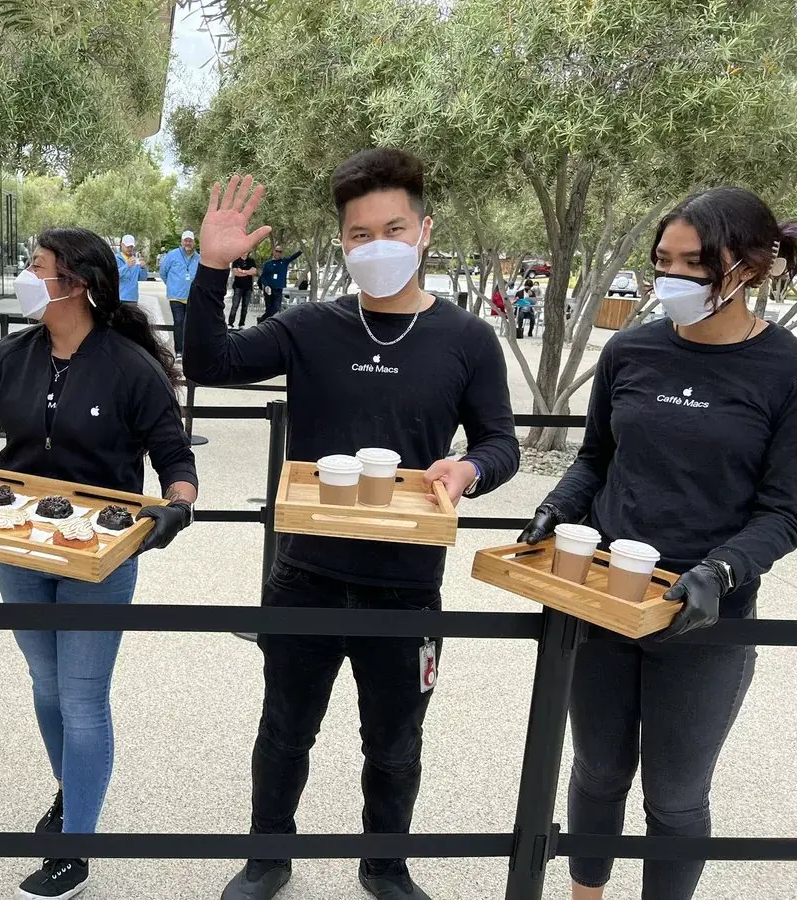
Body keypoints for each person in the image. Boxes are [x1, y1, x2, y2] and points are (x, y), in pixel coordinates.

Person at [184, 150, 520, 900]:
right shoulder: (312, 326)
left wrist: (469, 470)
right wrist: (213, 271)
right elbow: (210, 360)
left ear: (425, 230)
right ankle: (268, 856)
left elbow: (502, 442)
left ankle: (385, 864)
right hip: (305, 572)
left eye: (393, 228)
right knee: (283, 731)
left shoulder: (467, 339)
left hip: (406, 586)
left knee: (396, 745)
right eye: (361, 235)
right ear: (343, 243)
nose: (378, 246)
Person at [0, 227, 198, 900]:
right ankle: (72, 794)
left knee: (83, 700)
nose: (26, 277)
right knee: (46, 683)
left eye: (37, 268)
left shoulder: (130, 366)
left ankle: (75, 846)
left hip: (97, 555)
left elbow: (175, 456)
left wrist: (177, 505)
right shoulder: (9, 357)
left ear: (75, 284)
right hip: (15, 545)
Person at [519, 186, 797, 900]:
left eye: (692, 265)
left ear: (746, 268)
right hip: (606, 599)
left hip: (707, 620)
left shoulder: (785, 369)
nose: (669, 279)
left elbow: (785, 509)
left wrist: (723, 569)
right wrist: (557, 507)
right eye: (661, 262)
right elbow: (595, 459)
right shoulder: (631, 349)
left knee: (674, 799)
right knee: (597, 772)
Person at [160, 229, 201, 355]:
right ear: (182, 241)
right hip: (175, 296)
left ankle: (188, 349)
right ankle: (179, 350)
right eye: (185, 240)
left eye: (190, 240)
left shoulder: (199, 258)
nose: (188, 243)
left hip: (192, 297)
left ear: (193, 242)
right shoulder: (172, 255)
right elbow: (163, 272)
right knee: (179, 321)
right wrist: (172, 285)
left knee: (190, 324)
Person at [258, 244, 302, 321]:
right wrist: (266, 286)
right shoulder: (268, 264)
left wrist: (301, 250)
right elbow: (263, 277)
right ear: (273, 252)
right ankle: (265, 325)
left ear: (282, 253)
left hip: (278, 289)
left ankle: (261, 320)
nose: (278, 253)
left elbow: (293, 257)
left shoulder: (284, 261)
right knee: (269, 309)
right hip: (269, 289)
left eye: (280, 251)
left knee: (276, 307)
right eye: (276, 251)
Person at [116, 234, 149, 303]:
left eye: (131, 246)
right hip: (119, 298)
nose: (130, 249)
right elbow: (114, 276)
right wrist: (127, 266)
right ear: (122, 245)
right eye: (127, 246)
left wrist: (143, 268)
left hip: (133, 298)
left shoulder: (136, 260)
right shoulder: (115, 259)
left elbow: (143, 278)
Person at [228, 253, 259, 328]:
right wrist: (248, 272)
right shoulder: (236, 260)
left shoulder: (251, 261)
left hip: (248, 288)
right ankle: (230, 324)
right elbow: (235, 273)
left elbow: (254, 272)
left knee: (245, 307)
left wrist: (242, 271)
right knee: (235, 306)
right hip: (238, 287)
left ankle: (241, 324)